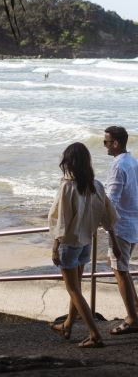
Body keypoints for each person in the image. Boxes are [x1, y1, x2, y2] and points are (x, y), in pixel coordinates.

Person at [48, 142, 120, 348]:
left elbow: (62, 221)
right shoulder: (95, 185)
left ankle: (95, 334)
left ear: (69, 162)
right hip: (86, 242)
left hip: (69, 245)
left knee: (73, 290)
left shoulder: (67, 187)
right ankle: (68, 325)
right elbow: (108, 216)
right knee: (77, 288)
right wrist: (113, 241)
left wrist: (54, 247)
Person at [104, 125, 138, 335]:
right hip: (133, 225)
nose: (105, 145)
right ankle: (135, 310)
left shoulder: (118, 167)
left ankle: (132, 318)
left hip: (121, 228)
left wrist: (108, 230)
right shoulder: (133, 161)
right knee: (124, 271)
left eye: (106, 142)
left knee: (119, 271)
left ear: (115, 143)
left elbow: (111, 202)